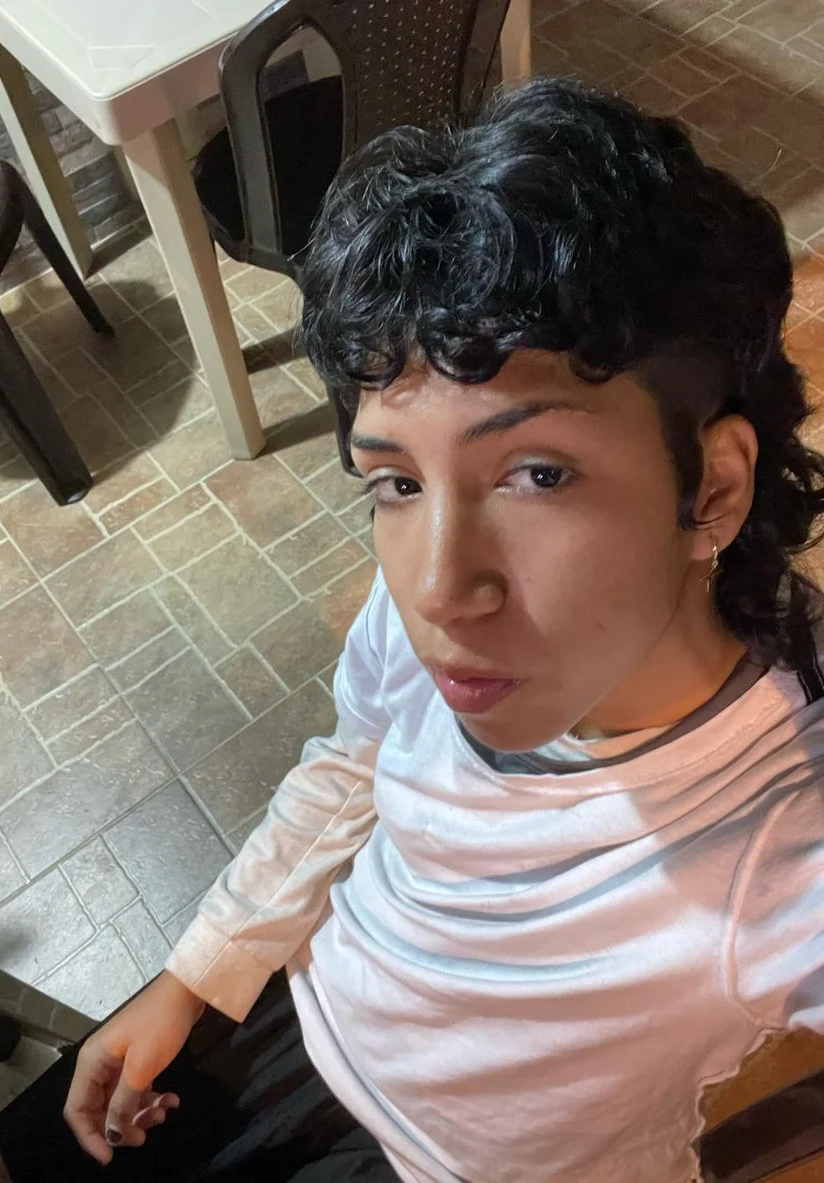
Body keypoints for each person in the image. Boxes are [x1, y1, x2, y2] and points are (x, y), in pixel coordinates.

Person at [63, 77, 824, 1183]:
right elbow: (355, 760)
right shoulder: (425, 619)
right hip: (310, 1017)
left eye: (537, 472)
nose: (436, 588)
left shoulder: (775, 842)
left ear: (710, 486)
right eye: (398, 483)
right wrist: (195, 972)